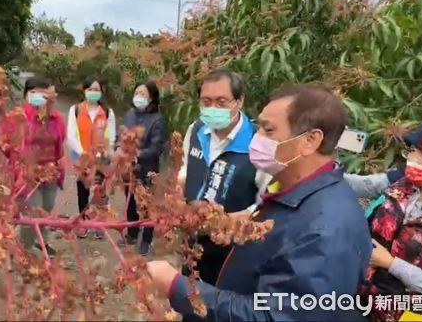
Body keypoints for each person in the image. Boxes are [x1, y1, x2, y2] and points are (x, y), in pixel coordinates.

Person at [147, 84, 372, 321]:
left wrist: (176, 287)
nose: (256, 138)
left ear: (310, 140)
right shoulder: (296, 194)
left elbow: (276, 316)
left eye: (268, 130)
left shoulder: (325, 229)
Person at [177, 68, 271, 286]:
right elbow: (186, 166)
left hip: (232, 251)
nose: (212, 109)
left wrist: (242, 217)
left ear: (239, 102)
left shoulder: (257, 143)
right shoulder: (196, 130)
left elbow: (268, 200)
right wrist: (180, 188)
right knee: (189, 298)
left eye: (221, 102)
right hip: (193, 241)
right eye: (206, 101)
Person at [356, 123, 422, 322]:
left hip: (407, 313)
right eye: (414, 150)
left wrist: (391, 264)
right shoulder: (403, 183)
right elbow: (363, 185)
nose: (413, 157)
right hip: (363, 300)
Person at [13, 76, 66, 256]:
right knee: (32, 214)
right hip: (29, 176)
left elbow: (60, 144)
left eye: (42, 92)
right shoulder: (20, 117)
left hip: (50, 173)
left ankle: (42, 241)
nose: (37, 96)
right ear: (26, 95)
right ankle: (24, 250)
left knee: (46, 209)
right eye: (33, 92)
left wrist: (60, 163)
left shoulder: (56, 118)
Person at [120, 80, 167, 255]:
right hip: (128, 168)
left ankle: (146, 239)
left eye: (143, 94)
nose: (138, 97)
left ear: (152, 98)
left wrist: (137, 155)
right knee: (130, 200)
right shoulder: (129, 115)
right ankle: (132, 233)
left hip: (147, 169)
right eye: (136, 93)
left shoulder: (157, 120)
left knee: (147, 205)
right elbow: (122, 137)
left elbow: (156, 148)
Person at [66, 78, 116, 238]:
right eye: (91, 89)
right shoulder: (75, 110)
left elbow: (111, 137)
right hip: (82, 159)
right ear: (85, 90)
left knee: (100, 192)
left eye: (97, 90)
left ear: (101, 92)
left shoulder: (107, 112)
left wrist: (103, 153)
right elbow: (71, 135)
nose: (94, 92)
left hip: (101, 160)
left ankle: (99, 224)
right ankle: (83, 223)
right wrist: (83, 154)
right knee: (83, 192)